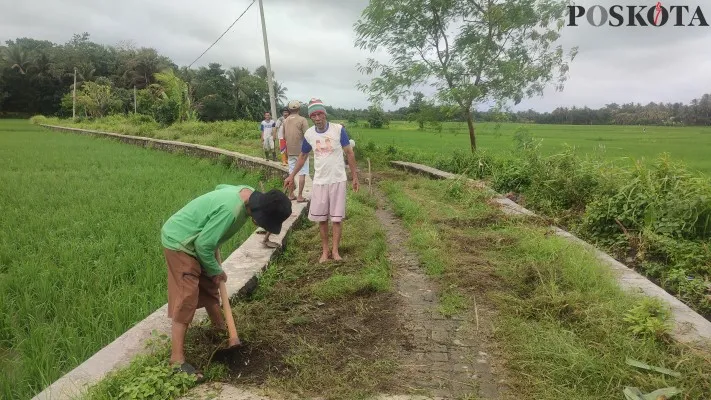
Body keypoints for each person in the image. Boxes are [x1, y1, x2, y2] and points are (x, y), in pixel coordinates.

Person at [160, 184, 292, 379]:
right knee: (187, 296)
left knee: (211, 288)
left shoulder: (246, 191)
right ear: (258, 213)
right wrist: (216, 270)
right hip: (181, 241)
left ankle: (221, 332)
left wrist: (213, 234)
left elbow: (219, 187)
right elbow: (203, 244)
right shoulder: (231, 212)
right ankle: (176, 361)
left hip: (200, 241)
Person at [284, 98, 359, 263]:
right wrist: (291, 175)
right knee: (322, 219)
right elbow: (303, 156)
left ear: (324, 114)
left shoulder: (338, 130)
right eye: (314, 115)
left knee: (337, 218)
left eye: (320, 114)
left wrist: (354, 177)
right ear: (311, 117)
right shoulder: (309, 134)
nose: (317, 118)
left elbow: (349, 153)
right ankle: (325, 252)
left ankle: (335, 251)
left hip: (338, 179)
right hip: (320, 181)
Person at [279, 100, 310, 202]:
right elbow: (308, 136)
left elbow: (283, 136)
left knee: (291, 173)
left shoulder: (285, 120)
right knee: (302, 173)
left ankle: (291, 194)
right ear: (299, 109)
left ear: (289, 110)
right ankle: (300, 196)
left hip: (290, 151)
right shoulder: (302, 120)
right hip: (302, 151)